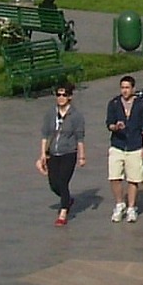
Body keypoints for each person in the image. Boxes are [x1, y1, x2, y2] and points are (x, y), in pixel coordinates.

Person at [37, 83, 86, 226]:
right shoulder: (50, 114)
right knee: (54, 184)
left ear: (70, 97)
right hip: (53, 153)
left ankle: (63, 212)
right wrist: (42, 154)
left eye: (64, 95)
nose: (61, 98)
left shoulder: (76, 116)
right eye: (58, 95)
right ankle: (67, 198)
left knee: (63, 181)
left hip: (68, 153)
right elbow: (45, 134)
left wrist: (82, 156)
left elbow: (80, 138)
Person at [106, 74, 143, 221]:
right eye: (122, 87)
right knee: (114, 177)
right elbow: (109, 124)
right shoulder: (114, 103)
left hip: (135, 146)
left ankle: (131, 207)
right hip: (117, 145)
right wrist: (115, 127)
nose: (124, 91)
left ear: (133, 89)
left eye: (127, 88)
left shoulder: (141, 105)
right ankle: (119, 204)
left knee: (133, 179)